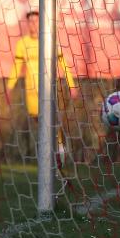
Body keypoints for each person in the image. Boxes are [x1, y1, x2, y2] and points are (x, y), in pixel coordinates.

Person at [5, 10, 78, 160]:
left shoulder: (49, 41)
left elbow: (63, 63)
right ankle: (50, 152)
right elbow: (17, 66)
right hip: (31, 92)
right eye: (30, 21)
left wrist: (71, 85)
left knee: (52, 120)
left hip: (48, 89)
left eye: (36, 21)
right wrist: (9, 86)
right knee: (41, 123)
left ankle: (59, 151)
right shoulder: (22, 43)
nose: (33, 24)